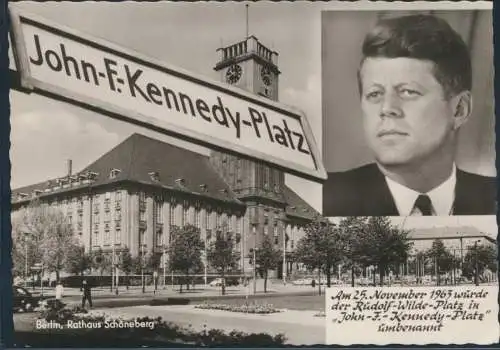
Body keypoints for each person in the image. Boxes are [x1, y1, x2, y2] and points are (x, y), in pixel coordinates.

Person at [323, 14, 496, 217]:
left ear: (459, 110)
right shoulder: (324, 197)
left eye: (408, 92)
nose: (386, 108)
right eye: (374, 94)